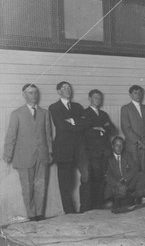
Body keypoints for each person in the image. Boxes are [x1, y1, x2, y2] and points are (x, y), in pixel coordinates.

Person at [3, 84, 52, 221]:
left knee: (41, 186)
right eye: (30, 93)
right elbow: (11, 136)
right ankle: (31, 214)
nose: (34, 95)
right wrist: (8, 154)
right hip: (24, 157)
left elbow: (48, 135)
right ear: (24, 95)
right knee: (27, 187)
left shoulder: (45, 113)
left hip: (42, 156)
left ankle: (39, 214)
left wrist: (50, 152)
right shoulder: (17, 113)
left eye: (35, 93)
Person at [49, 81, 91, 214]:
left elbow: (86, 123)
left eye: (69, 87)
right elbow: (61, 125)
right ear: (59, 91)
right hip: (63, 149)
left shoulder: (78, 106)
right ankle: (69, 212)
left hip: (80, 148)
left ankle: (85, 209)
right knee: (65, 183)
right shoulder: (54, 107)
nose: (67, 90)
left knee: (87, 175)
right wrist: (77, 123)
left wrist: (72, 121)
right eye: (64, 88)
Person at [104, 136, 145, 212]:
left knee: (142, 175)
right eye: (117, 145)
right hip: (116, 184)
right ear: (113, 146)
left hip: (127, 182)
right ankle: (121, 202)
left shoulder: (127, 155)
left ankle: (138, 198)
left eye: (121, 145)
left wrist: (125, 178)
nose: (119, 148)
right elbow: (108, 176)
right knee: (113, 201)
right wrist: (118, 184)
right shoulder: (108, 158)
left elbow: (135, 168)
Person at [83, 89, 115, 210]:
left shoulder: (103, 114)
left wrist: (99, 128)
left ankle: (100, 204)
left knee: (103, 178)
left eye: (99, 97)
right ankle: (93, 206)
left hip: (105, 151)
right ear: (90, 99)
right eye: (95, 97)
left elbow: (112, 129)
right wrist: (102, 130)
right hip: (93, 152)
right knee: (94, 179)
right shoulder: (85, 113)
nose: (97, 100)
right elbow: (87, 132)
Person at [120, 85, 145, 171]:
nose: (138, 95)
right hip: (133, 145)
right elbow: (126, 128)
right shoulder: (126, 109)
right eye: (135, 93)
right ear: (130, 95)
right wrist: (139, 141)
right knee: (134, 168)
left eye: (140, 93)